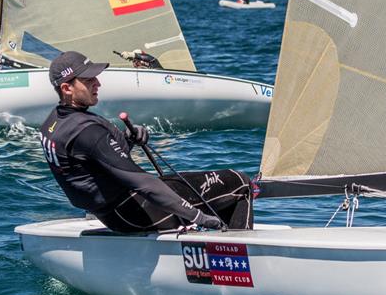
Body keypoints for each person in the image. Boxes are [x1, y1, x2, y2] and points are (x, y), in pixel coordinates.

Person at [39, 51, 253, 233]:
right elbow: (143, 183)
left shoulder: (54, 122)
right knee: (240, 182)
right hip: (137, 212)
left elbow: (94, 165)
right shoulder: (88, 131)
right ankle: (239, 255)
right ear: (67, 88)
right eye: (88, 80)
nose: (98, 83)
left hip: (113, 214)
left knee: (185, 185)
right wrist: (198, 216)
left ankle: (216, 241)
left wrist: (127, 140)